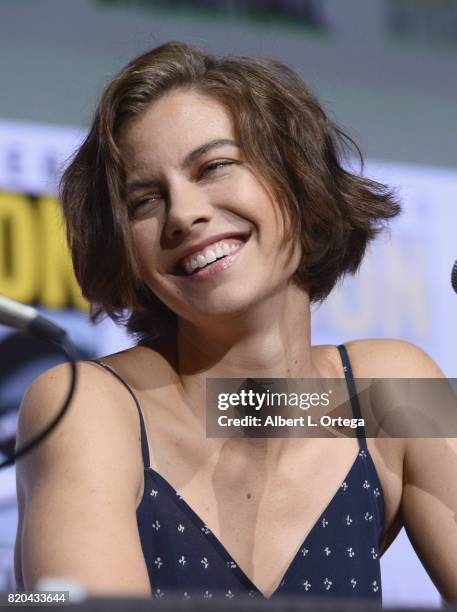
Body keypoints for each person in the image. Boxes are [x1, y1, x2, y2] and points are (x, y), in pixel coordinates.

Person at [14, 41, 457, 602]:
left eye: (215, 167)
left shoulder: (389, 391)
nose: (183, 213)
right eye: (144, 201)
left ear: (298, 178)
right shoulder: (87, 406)